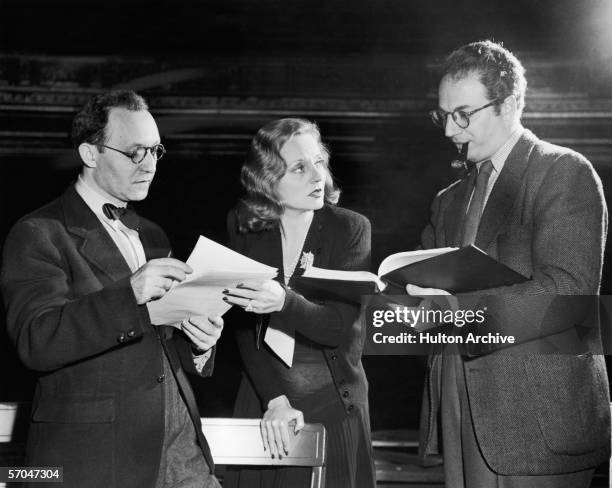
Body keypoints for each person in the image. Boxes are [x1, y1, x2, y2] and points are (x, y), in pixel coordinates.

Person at [408, 40, 610, 487]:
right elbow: (423, 288)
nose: (449, 131)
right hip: (460, 407)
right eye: (443, 116)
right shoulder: (448, 200)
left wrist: (455, 313)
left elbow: (567, 290)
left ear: (511, 103)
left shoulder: (563, 171)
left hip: (537, 421)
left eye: (463, 114)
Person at [1, 90, 223, 488]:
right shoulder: (39, 233)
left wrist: (200, 345)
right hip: (97, 461)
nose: (151, 165)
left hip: (181, 454)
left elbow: (159, 345)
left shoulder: (152, 234)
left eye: (156, 151)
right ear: (90, 154)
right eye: (136, 152)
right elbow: (37, 340)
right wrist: (130, 293)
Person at [222, 118, 376, 488]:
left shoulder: (350, 228)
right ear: (268, 181)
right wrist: (274, 399)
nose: (316, 177)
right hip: (266, 398)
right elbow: (244, 329)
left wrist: (283, 302)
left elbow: (339, 328)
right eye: (299, 168)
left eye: (318, 162)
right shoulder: (244, 225)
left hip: (333, 404)